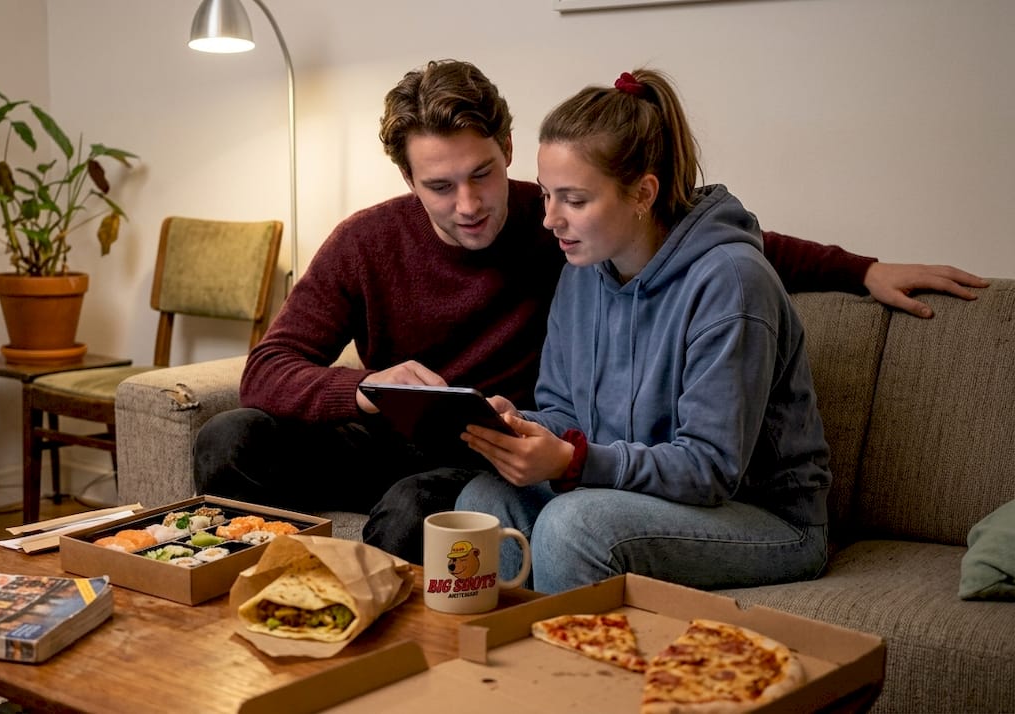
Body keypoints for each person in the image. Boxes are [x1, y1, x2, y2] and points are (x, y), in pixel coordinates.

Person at [193, 60, 987, 565]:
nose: (470, 205)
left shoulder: (570, 224)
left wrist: (865, 268)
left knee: (439, 513)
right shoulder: (551, 248)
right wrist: (364, 389)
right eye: (439, 186)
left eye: (485, 174)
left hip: (498, 457)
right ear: (406, 178)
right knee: (230, 437)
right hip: (432, 435)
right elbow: (269, 368)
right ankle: (276, 599)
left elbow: (712, 239)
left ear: (508, 149)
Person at [457, 68, 836, 594]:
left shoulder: (731, 283)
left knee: (574, 529)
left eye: (574, 199)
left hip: (763, 518)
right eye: (547, 195)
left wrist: (572, 460)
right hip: (635, 496)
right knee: (482, 504)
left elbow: (710, 469)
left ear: (643, 193)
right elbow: (567, 412)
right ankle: (494, 669)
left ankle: (567, 674)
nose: (550, 220)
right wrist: (518, 426)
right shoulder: (581, 272)